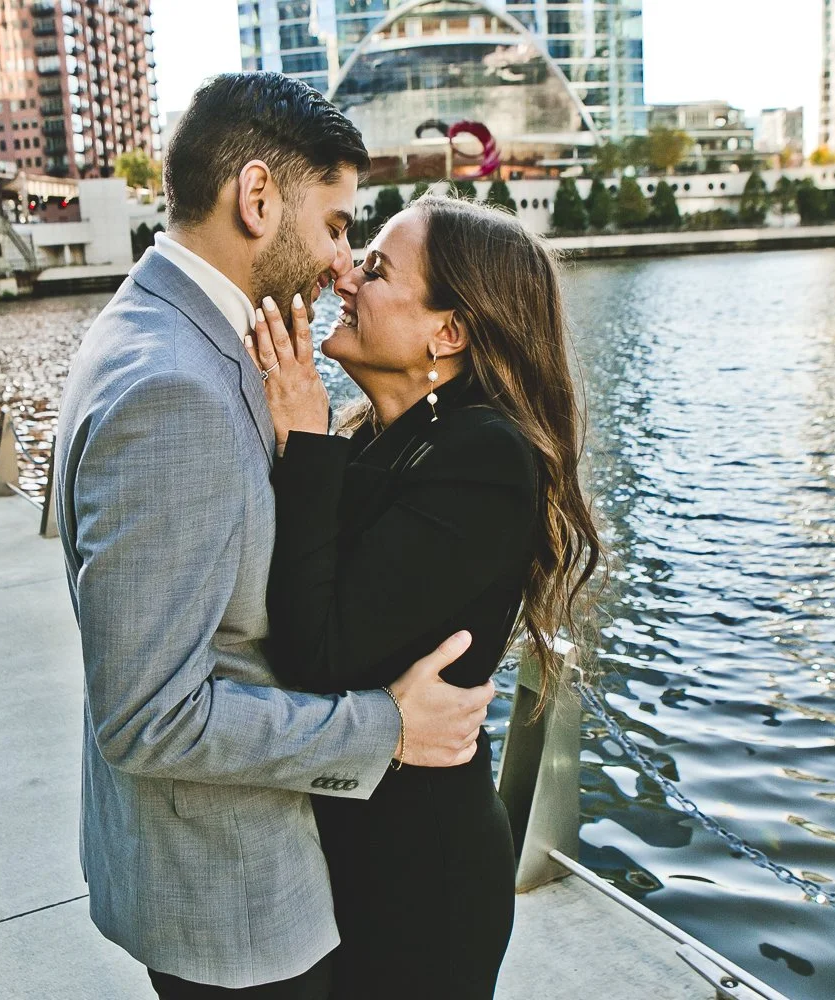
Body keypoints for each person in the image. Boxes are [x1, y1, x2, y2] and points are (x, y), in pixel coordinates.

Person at [51, 74, 496, 1000]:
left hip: (224, 877)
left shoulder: (163, 333)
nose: (343, 264)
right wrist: (389, 727)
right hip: (234, 905)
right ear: (258, 198)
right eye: (336, 225)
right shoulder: (174, 388)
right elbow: (147, 716)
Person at [245, 195, 602, 998]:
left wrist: (301, 444)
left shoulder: (485, 456)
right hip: (349, 854)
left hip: (420, 885)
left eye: (375, 269)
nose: (346, 276)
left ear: (448, 332)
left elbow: (316, 651)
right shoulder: (373, 435)